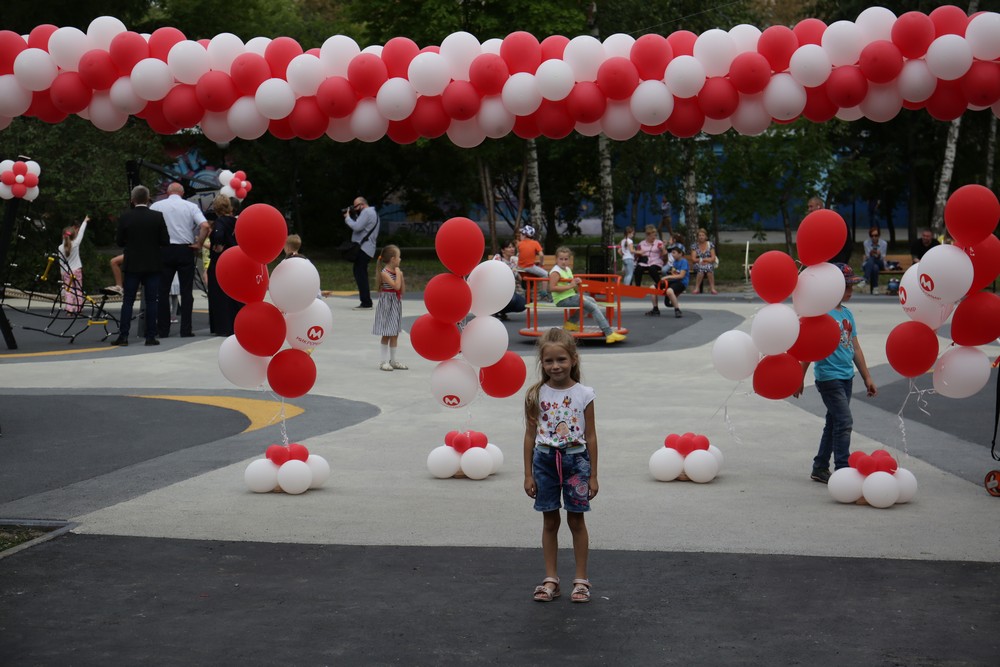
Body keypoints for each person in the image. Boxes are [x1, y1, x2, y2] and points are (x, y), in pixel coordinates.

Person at [523, 328, 599, 603]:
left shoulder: (584, 394)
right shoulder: (535, 394)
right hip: (544, 462)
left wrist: (593, 475)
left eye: (561, 359)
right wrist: (528, 474)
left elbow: (591, 436)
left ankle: (581, 581)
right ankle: (551, 579)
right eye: (549, 361)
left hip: (576, 461)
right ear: (542, 363)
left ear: (573, 359)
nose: (555, 366)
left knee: (576, 520)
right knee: (550, 520)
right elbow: (529, 436)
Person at [794, 263, 877, 484]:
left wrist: (867, 377)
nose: (851, 291)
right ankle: (842, 470)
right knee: (845, 421)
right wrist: (799, 377)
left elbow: (855, 347)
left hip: (847, 376)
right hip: (828, 377)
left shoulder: (847, 313)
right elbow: (811, 349)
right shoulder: (821, 314)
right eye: (847, 286)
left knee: (834, 422)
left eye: (852, 286)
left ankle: (820, 467)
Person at [112, 185, 169, 347]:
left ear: (133, 200)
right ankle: (150, 336)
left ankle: (123, 336)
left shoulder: (126, 217)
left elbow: (119, 241)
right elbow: (165, 241)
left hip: (133, 264)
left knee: (128, 301)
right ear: (148, 198)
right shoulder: (157, 216)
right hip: (152, 263)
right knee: (152, 301)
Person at [151, 182, 209, 338]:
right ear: (182, 193)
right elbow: (205, 226)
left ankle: (163, 329)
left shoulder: (156, 206)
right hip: (185, 250)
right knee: (186, 291)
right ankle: (186, 329)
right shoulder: (190, 207)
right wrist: (199, 244)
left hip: (164, 250)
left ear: (167, 192)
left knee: (163, 291)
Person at [549, 246, 626, 344]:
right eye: (561, 259)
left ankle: (571, 323)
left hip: (570, 296)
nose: (563, 262)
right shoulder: (556, 272)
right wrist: (570, 286)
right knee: (592, 307)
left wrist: (576, 282)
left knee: (591, 301)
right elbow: (552, 288)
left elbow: (571, 285)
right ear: (556, 259)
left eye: (566, 259)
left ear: (569, 259)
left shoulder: (567, 269)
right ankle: (609, 333)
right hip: (562, 299)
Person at [206, 194, 242, 336]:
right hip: (236, 260)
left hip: (221, 262)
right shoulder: (236, 222)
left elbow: (219, 235)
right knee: (235, 294)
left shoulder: (220, 222)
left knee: (219, 294)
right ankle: (237, 323)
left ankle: (222, 326)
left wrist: (218, 245)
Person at [373, 244, 407, 371]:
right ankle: (383, 362)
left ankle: (393, 360)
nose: (400, 259)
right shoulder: (384, 273)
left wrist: (401, 276)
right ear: (393, 259)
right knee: (387, 333)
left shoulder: (397, 273)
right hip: (387, 305)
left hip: (396, 304)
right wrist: (398, 274)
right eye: (399, 257)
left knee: (394, 334)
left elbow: (402, 290)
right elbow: (396, 286)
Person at [344, 196, 380, 310]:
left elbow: (357, 227)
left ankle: (366, 303)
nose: (355, 208)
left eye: (356, 206)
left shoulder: (367, 212)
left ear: (362, 205)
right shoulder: (373, 212)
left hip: (364, 248)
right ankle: (366, 301)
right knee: (360, 273)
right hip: (368, 249)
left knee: (360, 275)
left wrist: (347, 218)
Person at [57, 215, 89, 314]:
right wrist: (85, 221)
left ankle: (69, 309)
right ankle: (79, 309)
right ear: (74, 235)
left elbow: (61, 262)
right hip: (77, 270)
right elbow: (81, 232)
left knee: (68, 290)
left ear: (63, 236)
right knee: (78, 289)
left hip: (67, 272)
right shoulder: (76, 244)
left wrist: (62, 274)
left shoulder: (60, 248)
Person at [633, 224, 667, 316]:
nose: (654, 238)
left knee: (652, 268)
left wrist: (662, 249)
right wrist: (639, 253)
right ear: (647, 235)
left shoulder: (658, 243)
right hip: (645, 262)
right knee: (638, 268)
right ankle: (638, 288)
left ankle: (660, 285)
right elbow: (636, 255)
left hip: (656, 262)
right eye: (652, 236)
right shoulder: (641, 243)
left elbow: (664, 255)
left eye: (655, 236)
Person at [492, 239, 526, 321]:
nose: (512, 249)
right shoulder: (498, 258)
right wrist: (511, 271)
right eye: (509, 247)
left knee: (523, 304)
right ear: (503, 250)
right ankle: (496, 309)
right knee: (512, 300)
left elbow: (518, 277)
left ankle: (501, 312)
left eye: (513, 247)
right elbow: (494, 271)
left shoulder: (513, 261)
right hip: (498, 290)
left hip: (509, 290)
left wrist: (519, 274)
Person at [516, 225, 549, 300]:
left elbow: (522, 255)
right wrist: (541, 263)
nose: (520, 235)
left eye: (521, 234)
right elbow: (541, 255)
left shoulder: (519, 244)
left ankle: (525, 295)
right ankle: (544, 293)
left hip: (520, 267)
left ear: (525, 235)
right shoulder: (535, 243)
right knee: (545, 274)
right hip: (529, 267)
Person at [690, 227, 717, 295]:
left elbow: (713, 258)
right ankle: (697, 288)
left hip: (708, 263)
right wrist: (702, 261)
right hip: (697, 264)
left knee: (709, 267)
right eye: (699, 235)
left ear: (706, 237)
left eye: (703, 235)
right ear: (697, 237)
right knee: (701, 268)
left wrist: (704, 260)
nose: (701, 237)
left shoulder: (710, 245)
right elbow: (693, 259)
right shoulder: (694, 246)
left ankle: (712, 288)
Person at [663, 245, 688, 318]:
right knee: (654, 287)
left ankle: (677, 310)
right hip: (675, 281)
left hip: (682, 282)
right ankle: (655, 309)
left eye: (674, 253)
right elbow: (674, 274)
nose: (672, 254)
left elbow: (681, 276)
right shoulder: (674, 262)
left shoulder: (684, 261)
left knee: (669, 291)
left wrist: (668, 277)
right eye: (672, 253)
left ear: (680, 253)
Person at [862, 226, 887, 294]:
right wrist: (870, 253)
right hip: (870, 263)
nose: (874, 237)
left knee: (873, 258)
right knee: (875, 267)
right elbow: (867, 256)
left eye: (876, 235)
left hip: (880, 262)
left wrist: (879, 255)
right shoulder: (866, 243)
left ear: (879, 235)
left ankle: (865, 278)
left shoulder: (884, 243)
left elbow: (883, 257)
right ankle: (875, 288)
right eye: (872, 236)